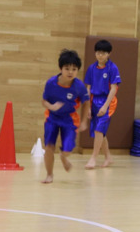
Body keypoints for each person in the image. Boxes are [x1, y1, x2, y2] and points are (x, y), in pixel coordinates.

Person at [41, 49, 90, 184]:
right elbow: (44, 101)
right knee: (49, 147)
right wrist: (52, 107)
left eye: (74, 69)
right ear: (61, 68)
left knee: (68, 149)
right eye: (67, 68)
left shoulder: (79, 86)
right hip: (52, 118)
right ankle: (49, 175)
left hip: (69, 120)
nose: (70, 72)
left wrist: (84, 121)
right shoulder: (51, 83)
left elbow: (86, 103)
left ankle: (64, 157)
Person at [83, 39, 121, 169]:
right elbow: (88, 88)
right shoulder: (91, 68)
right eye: (98, 53)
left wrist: (105, 106)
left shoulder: (112, 68)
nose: (100, 55)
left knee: (99, 130)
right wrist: (88, 107)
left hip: (107, 102)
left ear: (109, 54)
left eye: (104, 53)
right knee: (99, 132)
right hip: (94, 101)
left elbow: (114, 88)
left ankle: (93, 158)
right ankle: (108, 157)